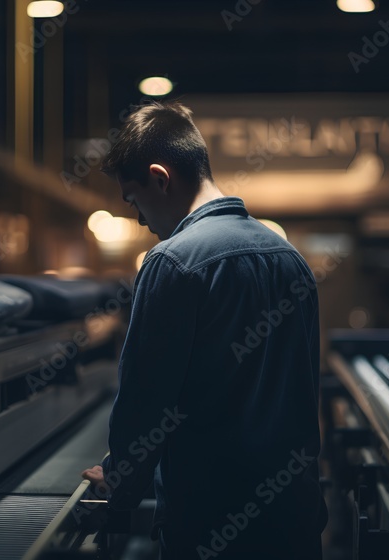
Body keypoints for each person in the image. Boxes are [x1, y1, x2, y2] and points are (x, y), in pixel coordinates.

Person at [81, 101, 327, 560]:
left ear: (160, 177)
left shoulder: (172, 262)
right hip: (294, 523)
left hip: (212, 526)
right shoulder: (290, 259)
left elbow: (146, 399)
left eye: (133, 200)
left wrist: (120, 480)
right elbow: (303, 391)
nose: (137, 219)